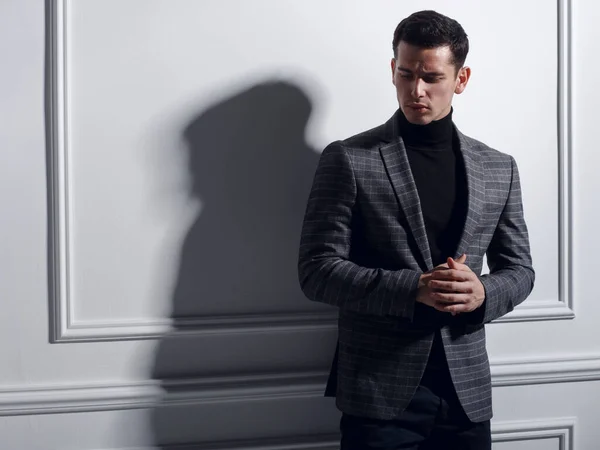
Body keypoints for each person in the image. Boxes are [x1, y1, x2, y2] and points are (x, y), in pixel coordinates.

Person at [297, 9, 535, 450]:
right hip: (379, 394)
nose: (416, 90)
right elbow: (316, 270)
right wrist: (413, 289)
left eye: (431, 77)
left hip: (466, 395)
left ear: (460, 79)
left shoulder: (498, 167)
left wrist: (483, 293)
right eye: (405, 74)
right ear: (393, 70)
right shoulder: (349, 158)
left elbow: (520, 269)